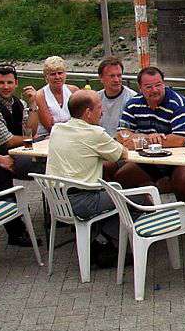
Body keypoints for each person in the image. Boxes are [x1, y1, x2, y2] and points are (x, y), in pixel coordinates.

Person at [46, 91, 130, 265]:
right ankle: (114, 247)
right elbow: (122, 154)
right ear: (88, 113)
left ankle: (101, 243)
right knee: (138, 198)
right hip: (82, 201)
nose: (103, 111)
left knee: (111, 194)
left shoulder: (57, 129)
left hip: (57, 202)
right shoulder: (94, 133)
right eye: (99, 107)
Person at [114, 66, 185, 209]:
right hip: (150, 159)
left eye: (158, 85)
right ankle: (146, 212)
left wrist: (142, 140)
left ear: (164, 84)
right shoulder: (134, 103)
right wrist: (148, 138)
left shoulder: (178, 103)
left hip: (182, 158)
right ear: (140, 88)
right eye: (149, 87)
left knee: (183, 180)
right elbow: (122, 134)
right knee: (122, 177)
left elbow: (179, 139)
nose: (154, 90)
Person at [0, 64, 41, 247]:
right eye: (1, 83)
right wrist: (31, 139)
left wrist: (33, 104)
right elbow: (6, 141)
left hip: (13, 153)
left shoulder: (18, 103)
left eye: (9, 82)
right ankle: (15, 230)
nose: (6, 86)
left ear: (16, 83)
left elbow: (30, 131)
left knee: (45, 165)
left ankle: (56, 211)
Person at [35, 56, 78, 136]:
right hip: (47, 136)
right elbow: (50, 127)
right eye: (53, 74)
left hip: (73, 134)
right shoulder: (40, 95)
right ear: (46, 76)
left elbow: (80, 119)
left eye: (60, 73)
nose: (57, 77)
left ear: (65, 74)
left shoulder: (74, 90)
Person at [97, 56, 137, 137]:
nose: (116, 80)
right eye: (112, 76)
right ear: (101, 78)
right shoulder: (96, 98)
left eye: (119, 75)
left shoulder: (133, 99)